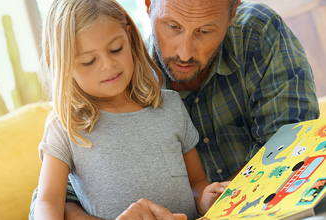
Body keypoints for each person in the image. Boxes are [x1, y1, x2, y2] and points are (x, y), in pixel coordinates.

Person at [62, 0, 320, 219]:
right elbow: (57, 199)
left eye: (205, 31)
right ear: (149, 5)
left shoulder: (260, 34)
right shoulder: (117, 80)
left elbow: (293, 151)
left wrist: (211, 199)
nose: (184, 53)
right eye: (173, 27)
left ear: (232, 13)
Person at [30, 0, 230, 219]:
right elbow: (48, 202)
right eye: (89, 61)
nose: (108, 64)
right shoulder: (65, 126)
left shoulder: (170, 105)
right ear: (62, 64)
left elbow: (196, 183)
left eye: (116, 49)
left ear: (129, 37)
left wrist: (204, 198)